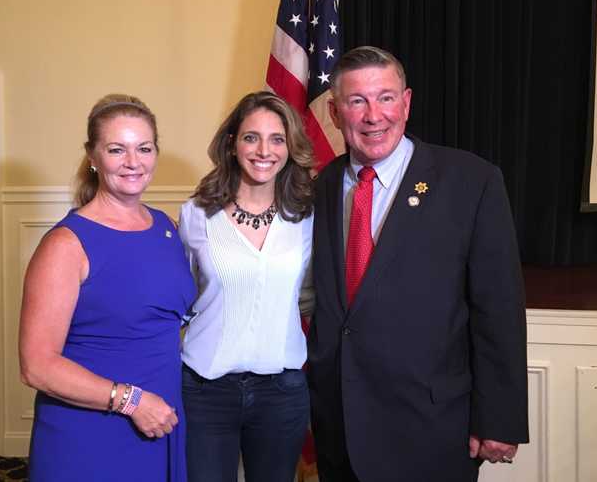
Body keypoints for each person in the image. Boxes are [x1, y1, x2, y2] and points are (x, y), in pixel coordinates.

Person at [307, 46, 529, 482]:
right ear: (334, 113)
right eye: (357, 101)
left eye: (386, 98)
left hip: (432, 429)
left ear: (406, 103)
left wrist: (499, 419)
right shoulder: (320, 186)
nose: (374, 116)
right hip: (341, 427)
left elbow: (498, 310)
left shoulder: (471, 181)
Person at [19, 94, 196, 482]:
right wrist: (131, 401)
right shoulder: (66, 244)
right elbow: (37, 366)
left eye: (144, 148)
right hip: (90, 429)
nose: (133, 162)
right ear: (93, 157)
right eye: (117, 149)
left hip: (161, 419)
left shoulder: (164, 226)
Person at [178, 91, 314, 482]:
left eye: (277, 139)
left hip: (282, 391)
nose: (263, 150)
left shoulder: (306, 216)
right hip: (205, 389)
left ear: (290, 148)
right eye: (251, 137)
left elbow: (312, 295)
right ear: (232, 144)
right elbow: (182, 297)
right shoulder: (196, 214)